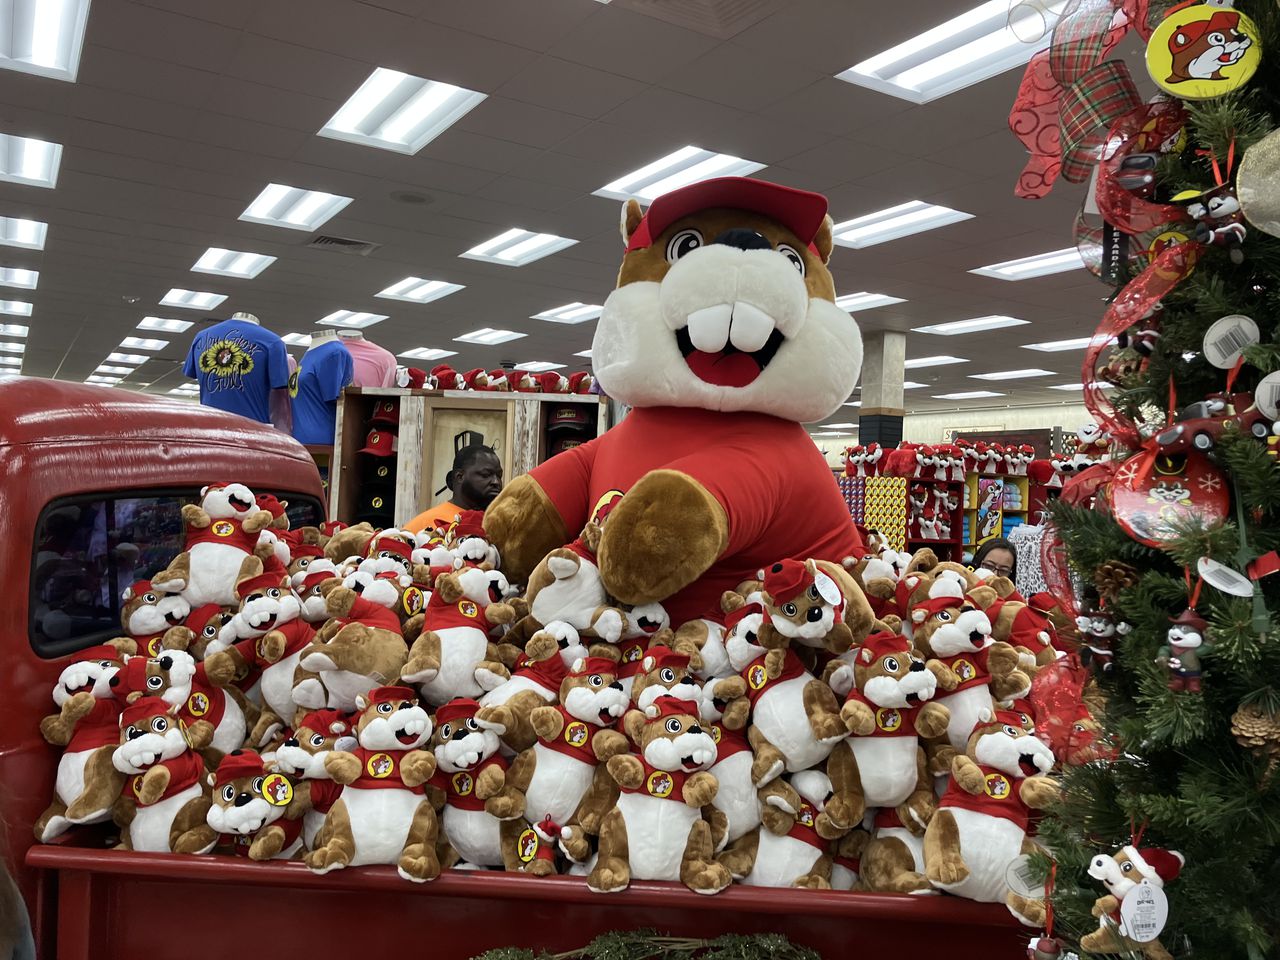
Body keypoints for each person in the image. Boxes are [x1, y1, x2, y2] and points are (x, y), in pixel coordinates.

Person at [405, 445, 503, 534]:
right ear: (460, 477)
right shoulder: (422, 526)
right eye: (486, 475)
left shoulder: (502, 526)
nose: (496, 482)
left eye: (499, 476)